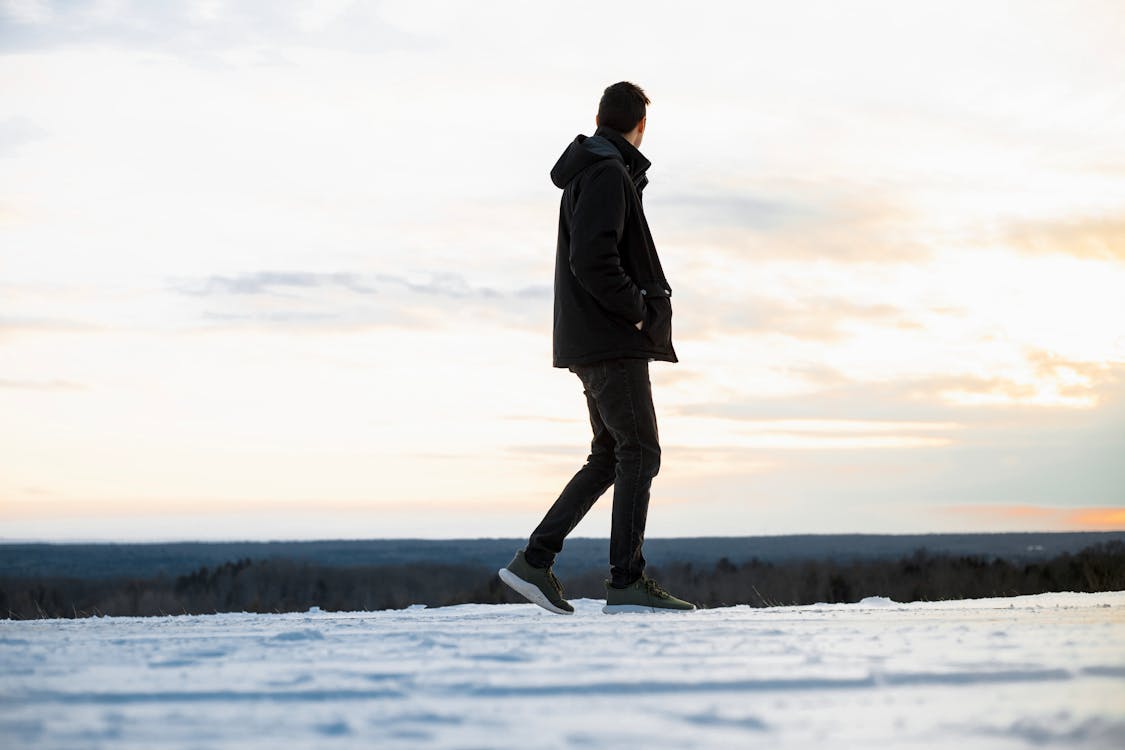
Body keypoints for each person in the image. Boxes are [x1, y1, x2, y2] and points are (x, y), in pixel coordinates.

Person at [498, 82, 696, 614]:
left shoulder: (598, 170)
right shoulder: (606, 172)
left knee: (610, 455)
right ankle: (626, 581)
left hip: (592, 338)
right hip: (611, 339)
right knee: (640, 453)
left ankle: (535, 562)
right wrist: (636, 312)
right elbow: (594, 260)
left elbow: (593, 255)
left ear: (601, 118)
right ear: (641, 126)